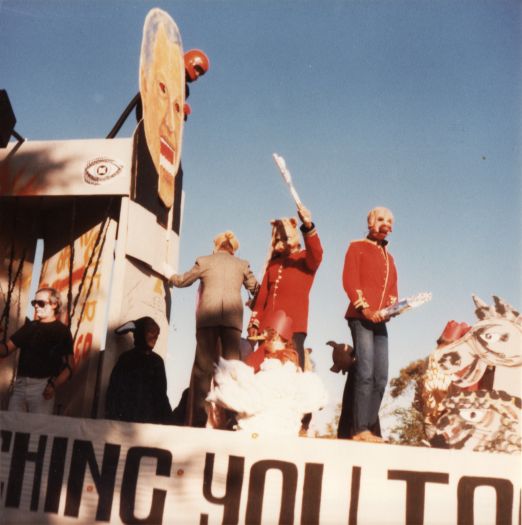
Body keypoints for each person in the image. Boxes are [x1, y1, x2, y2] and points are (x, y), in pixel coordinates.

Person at [166, 231, 259, 427]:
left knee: (203, 370)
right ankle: (233, 418)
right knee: (232, 369)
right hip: (232, 322)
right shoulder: (242, 264)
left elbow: (183, 281)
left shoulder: (204, 261)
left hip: (208, 320)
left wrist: (170, 276)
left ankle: (199, 419)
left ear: (216, 246)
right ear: (233, 249)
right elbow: (255, 288)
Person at [338, 207, 398, 443]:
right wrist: (365, 308)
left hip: (380, 320)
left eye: (389, 220)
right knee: (365, 372)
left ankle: (369, 427)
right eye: (381, 219)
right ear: (370, 222)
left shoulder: (389, 257)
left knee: (381, 376)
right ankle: (359, 427)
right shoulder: (357, 247)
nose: (385, 223)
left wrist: (392, 310)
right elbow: (349, 281)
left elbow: (393, 288)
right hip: (360, 316)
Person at [248, 204, 323, 371]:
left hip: (294, 327)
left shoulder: (305, 259)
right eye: (277, 238)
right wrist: (254, 323)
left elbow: (317, 253)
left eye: (284, 237)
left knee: (291, 371)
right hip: (267, 330)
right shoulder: (272, 265)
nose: (280, 241)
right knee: (263, 372)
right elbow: (261, 299)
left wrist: (308, 226)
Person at [0, 287, 73, 414]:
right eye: (34, 303)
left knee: (37, 430)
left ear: (54, 304)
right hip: (20, 386)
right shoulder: (29, 327)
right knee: (11, 428)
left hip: (42, 388)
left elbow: (70, 366)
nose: (36, 306)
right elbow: (5, 350)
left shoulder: (62, 331)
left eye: (41, 303)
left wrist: (54, 386)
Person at [105, 316, 172, 424]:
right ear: (140, 333)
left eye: (157, 334)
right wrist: (113, 419)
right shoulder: (126, 358)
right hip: (125, 422)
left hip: (149, 425)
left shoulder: (157, 362)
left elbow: (161, 396)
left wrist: (168, 423)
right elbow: (114, 391)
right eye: (151, 332)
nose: (155, 337)